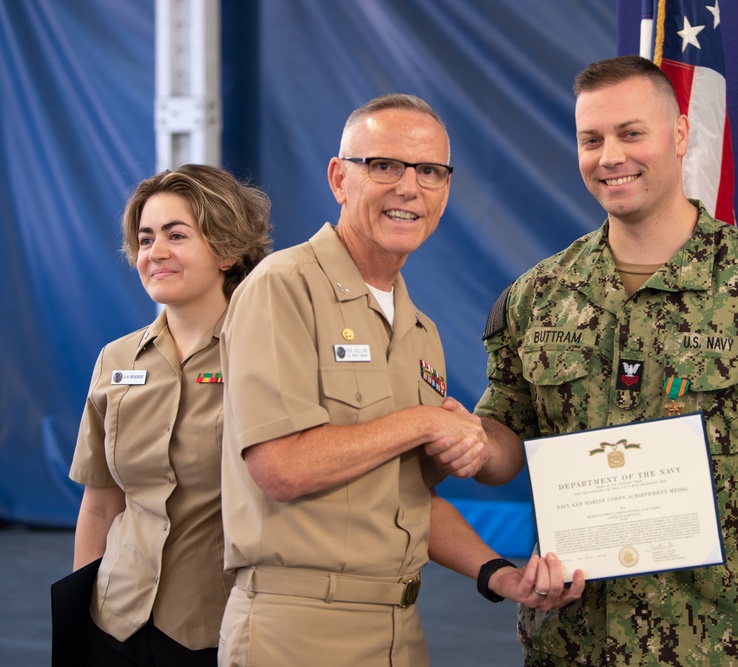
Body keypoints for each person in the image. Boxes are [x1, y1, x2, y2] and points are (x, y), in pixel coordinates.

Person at [472, 55, 738, 666]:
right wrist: (469, 442)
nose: (610, 156)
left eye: (632, 133)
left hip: (724, 642)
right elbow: (503, 452)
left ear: (681, 135)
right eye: (591, 139)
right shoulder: (535, 299)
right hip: (573, 644)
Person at [217, 93, 583, 667]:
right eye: (384, 166)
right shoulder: (281, 287)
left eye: (430, 171)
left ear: (445, 191)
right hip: (296, 631)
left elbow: (409, 498)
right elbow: (282, 469)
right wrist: (422, 422)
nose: (408, 188)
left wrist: (498, 573)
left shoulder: (419, 330)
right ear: (340, 178)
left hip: (400, 628)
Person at [69, 164, 273, 665]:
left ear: (227, 250)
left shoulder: (271, 356)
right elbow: (100, 505)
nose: (154, 252)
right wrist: (78, 627)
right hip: (114, 621)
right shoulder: (114, 361)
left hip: (223, 630)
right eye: (145, 238)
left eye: (176, 235)